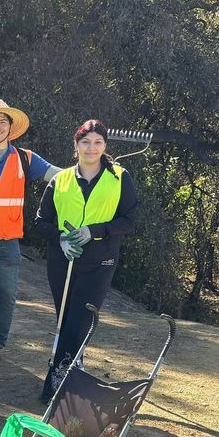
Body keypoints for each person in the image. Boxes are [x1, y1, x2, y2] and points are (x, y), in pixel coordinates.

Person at [35, 119, 137, 401]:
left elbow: (129, 220)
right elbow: (41, 221)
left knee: (79, 321)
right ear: (76, 145)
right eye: (85, 142)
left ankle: (56, 387)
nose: (91, 148)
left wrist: (94, 231)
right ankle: (73, 370)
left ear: (105, 146)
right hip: (63, 262)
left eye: (98, 142)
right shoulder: (61, 179)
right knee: (66, 319)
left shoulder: (119, 177)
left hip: (100, 262)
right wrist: (61, 239)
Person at [0, 98, 61, 364]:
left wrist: (89, 169)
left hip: (8, 240)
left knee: (6, 293)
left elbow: (59, 176)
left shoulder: (25, 158)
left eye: (2, 122)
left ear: (10, 127)